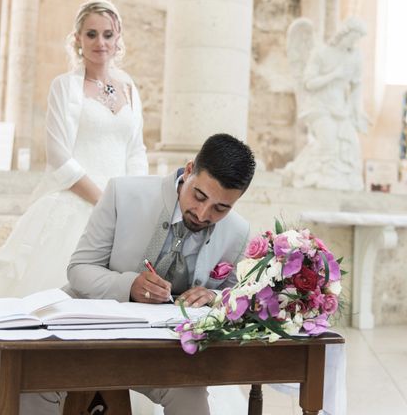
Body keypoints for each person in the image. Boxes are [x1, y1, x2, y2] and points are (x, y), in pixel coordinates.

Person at [0, 0, 149, 415]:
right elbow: (59, 157)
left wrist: (135, 202)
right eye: (91, 34)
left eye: (107, 34)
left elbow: (137, 151)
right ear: (77, 40)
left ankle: (105, 399)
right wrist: (105, 203)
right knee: (49, 312)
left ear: (119, 38)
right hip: (75, 205)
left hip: (121, 212)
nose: (100, 42)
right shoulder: (64, 86)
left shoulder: (129, 88)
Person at [54, 133, 256, 415]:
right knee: (35, 382)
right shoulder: (122, 193)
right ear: (188, 171)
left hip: (158, 352)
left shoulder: (237, 232)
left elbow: (236, 296)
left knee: (190, 394)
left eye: (220, 208)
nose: (202, 213)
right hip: (85, 330)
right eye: (199, 196)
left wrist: (213, 296)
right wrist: (129, 285)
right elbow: (79, 269)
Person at [282, 17, 368, 191]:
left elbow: (357, 85)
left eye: (358, 38)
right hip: (319, 105)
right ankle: (314, 177)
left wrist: (357, 110)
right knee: (327, 145)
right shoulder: (321, 52)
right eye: (354, 37)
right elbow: (309, 83)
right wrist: (334, 75)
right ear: (345, 33)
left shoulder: (356, 56)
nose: (355, 42)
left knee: (351, 144)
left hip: (340, 107)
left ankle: (302, 172)